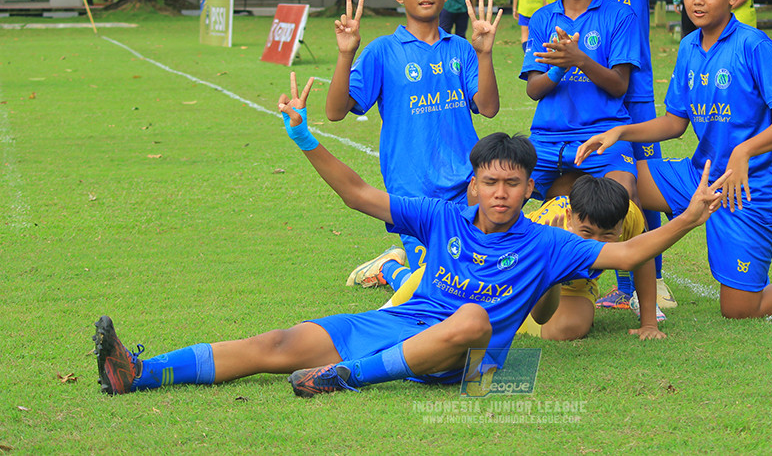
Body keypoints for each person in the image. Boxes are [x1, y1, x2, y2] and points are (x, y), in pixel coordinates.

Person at [92, 87, 729, 397]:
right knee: (277, 344)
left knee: (475, 317)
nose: (501, 193)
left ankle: (346, 379)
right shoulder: (440, 216)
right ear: (474, 185)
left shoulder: (546, 241)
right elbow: (360, 195)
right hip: (401, 326)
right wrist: (306, 138)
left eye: (513, 183)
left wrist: (690, 216)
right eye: (490, 182)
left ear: (527, 187)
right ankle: (140, 373)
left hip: (469, 364)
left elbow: (625, 254)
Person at [577, 0, 772, 319]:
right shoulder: (689, 46)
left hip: (749, 188)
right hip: (700, 176)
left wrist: (744, 152)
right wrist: (621, 131)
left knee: (740, 308)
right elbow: (675, 124)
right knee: (618, 182)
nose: (697, 1)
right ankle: (625, 287)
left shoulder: (753, 45)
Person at [497, 0, 683, 313]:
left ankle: (646, 282)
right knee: (565, 192)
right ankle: (547, 275)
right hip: (570, 100)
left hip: (626, 85)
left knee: (637, 182)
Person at [325, 0, 501, 292]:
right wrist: (346, 55)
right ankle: (391, 268)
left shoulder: (461, 49)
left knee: (480, 273)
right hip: (412, 192)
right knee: (440, 285)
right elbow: (334, 112)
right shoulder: (382, 51)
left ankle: (396, 268)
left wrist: (484, 54)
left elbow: (489, 107)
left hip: (468, 185)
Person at [517, 0, 663, 326]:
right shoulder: (544, 18)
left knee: (620, 200)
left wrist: (579, 60)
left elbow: (618, 86)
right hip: (548, 140)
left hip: (602, 136)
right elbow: (534, 90)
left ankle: (634, 293)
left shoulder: (619, 16)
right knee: (520, 204)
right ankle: (507, 284)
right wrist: (561, 69)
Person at [385, 175, 665, 339]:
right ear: (569, 217)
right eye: (586, 233)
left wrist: (648, 323)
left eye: (608, 236)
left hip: (571, 283)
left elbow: (643, 258)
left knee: (569, 328)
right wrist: (555, 263)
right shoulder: (547, 226)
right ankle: (391, 270)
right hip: (511, 268)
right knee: (445, 284)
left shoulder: (628, 214)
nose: (597, 244)